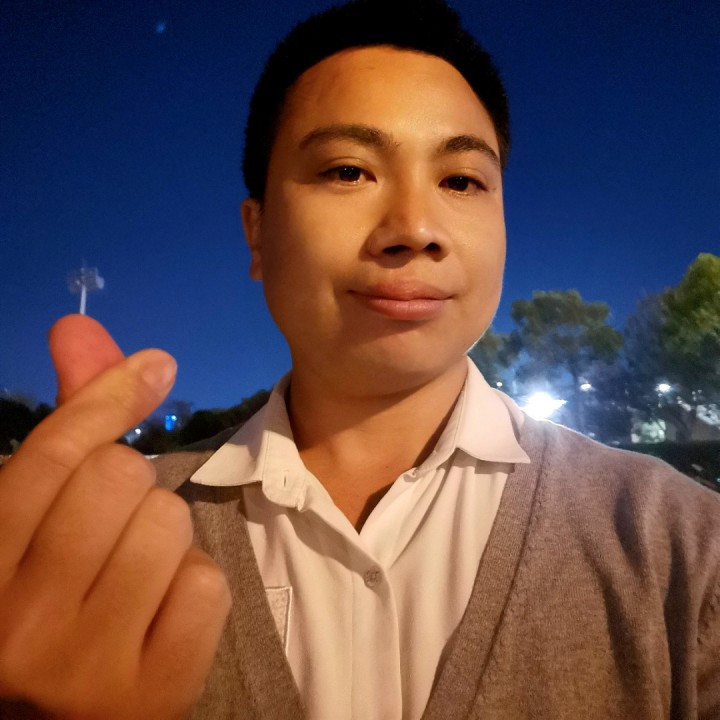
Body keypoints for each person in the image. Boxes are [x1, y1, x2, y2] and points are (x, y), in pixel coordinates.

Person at [1, 0, 718, 718]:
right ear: (257, 234)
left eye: (462, 180)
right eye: (348, 170)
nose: (415, 228)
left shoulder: (682, 547)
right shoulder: (95, 557)